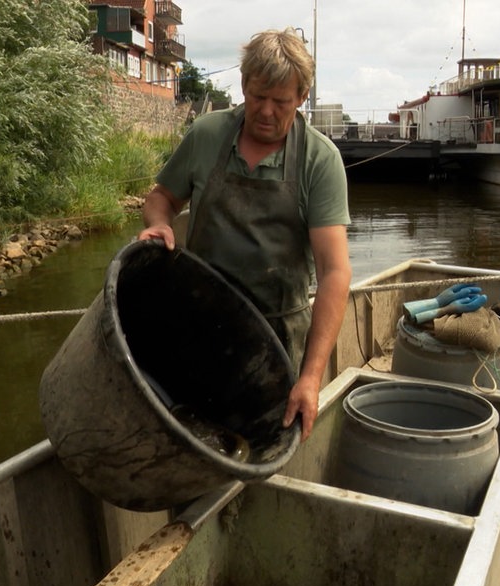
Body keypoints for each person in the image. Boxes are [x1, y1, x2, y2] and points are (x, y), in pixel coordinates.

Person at [137, 28, 351, 442]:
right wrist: (158, 222)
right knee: (186, 433)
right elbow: (161, 197)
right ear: (243, 86)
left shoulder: (320, 161)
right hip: (199, 324)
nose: (266, 111)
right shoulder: (207, 135)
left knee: (261, 445)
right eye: (257, 97)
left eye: (281, 101)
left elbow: (335, 272)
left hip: (274, 345)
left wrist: (309, 378)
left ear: (302, 97)